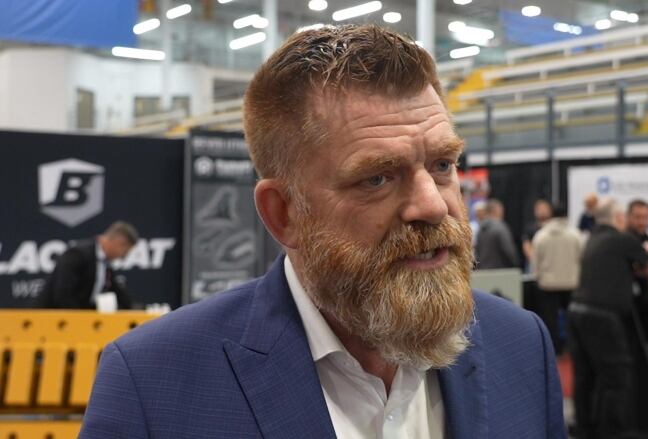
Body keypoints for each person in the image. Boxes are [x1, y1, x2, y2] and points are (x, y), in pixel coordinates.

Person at [80, 25, 565, 438]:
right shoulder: (153, 381)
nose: (433, 205)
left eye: (442, 165)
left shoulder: (520, 345)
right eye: (377, 177)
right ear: (283, 213)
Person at [568, 198, 648, 439]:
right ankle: (613, 431)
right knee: (617, 375)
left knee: (585, 376)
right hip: (603, 316)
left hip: (578, 311)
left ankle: (584, 428)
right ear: (619, 218)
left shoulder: (593, 239)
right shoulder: (621, 239)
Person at [39, 221, 138, 309]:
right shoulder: (77, 254)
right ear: (120, 242)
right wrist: (80, 320)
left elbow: (119, 294)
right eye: (125, 252)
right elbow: (63, 295)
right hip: (48, 321)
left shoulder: (105, 267)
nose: (124, 257)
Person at [532, 204, 583, 355]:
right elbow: (581, 257)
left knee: (550, 320)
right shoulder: (575, 234)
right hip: (572, 283)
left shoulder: (541, 235)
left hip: (547, 284)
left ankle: (554, 349)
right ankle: (573, 348)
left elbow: (536, 262)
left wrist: (538, 277)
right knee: (572, 319)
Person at [474, 198, 520, 269]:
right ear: (496, 211)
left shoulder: (480, 230)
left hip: (483, 273)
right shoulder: (500, 227)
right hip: (500, 273)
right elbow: (509, 251)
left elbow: (477, 253)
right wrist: (515, 264)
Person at [522, 198, 553, 265]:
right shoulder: (530, 228)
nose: (542, 211)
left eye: (544, 208)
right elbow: (526, 245)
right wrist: (533, 259)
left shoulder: (553, 227)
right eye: (539, 209)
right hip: (535, 261)